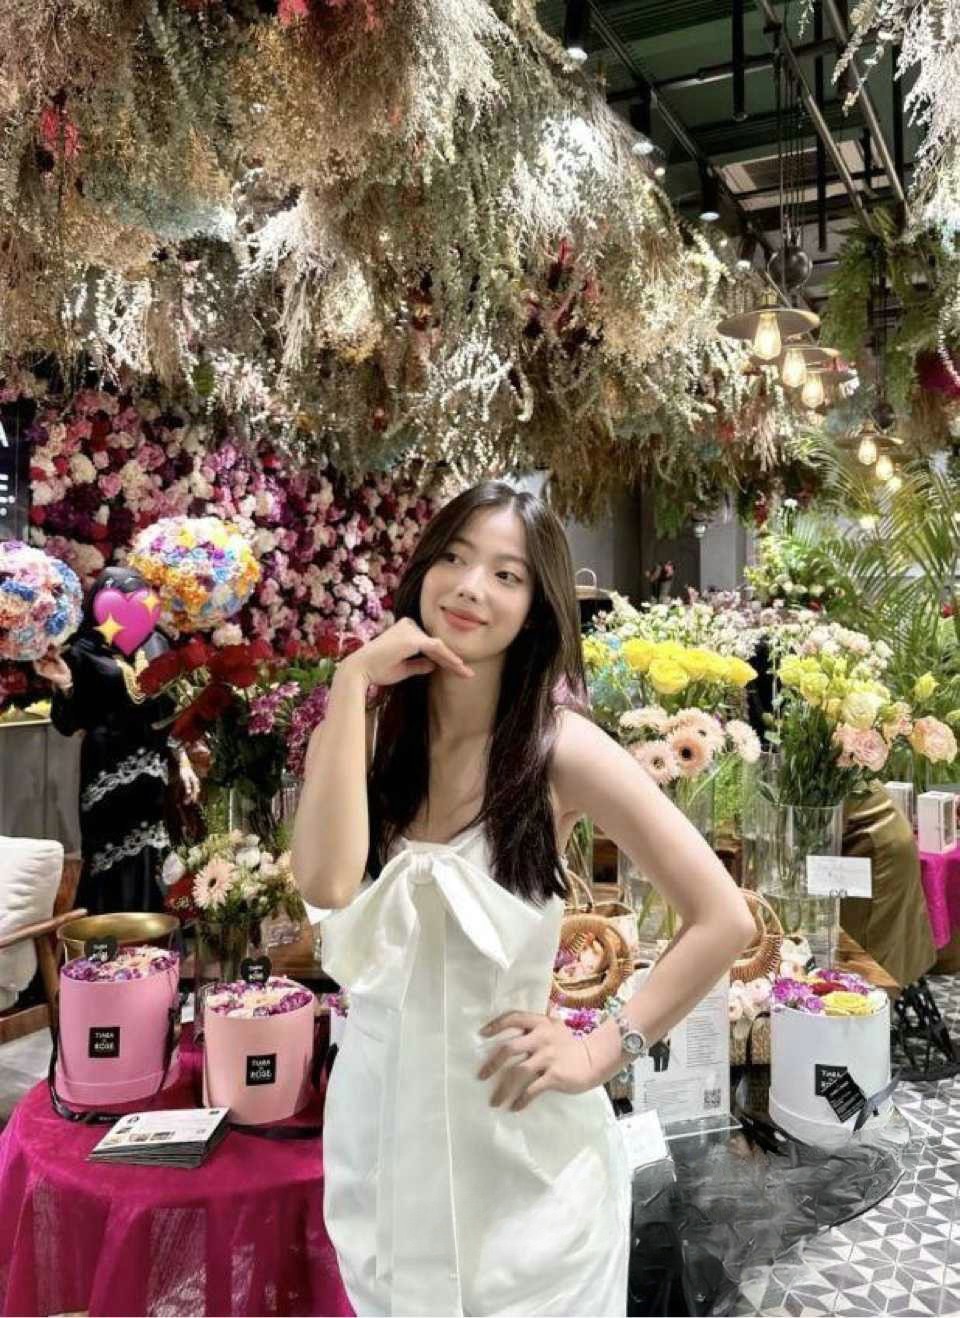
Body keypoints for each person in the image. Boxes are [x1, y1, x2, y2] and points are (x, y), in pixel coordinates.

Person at [293, 481, 753, 1318]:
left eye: (506, 575)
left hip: (521, 1164)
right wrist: (350, 681)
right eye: (455, 558)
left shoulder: (559, 749)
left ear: (536, 609)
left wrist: (602, 1050)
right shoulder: (369, 734)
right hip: (382, 1143)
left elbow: (723, 917)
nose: (472, 588)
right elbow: (324, 884)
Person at [33, 565, 199, 915]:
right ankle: (106, 937)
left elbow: (171, 709)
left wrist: (183, 759)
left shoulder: (157, 642)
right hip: (106, 771)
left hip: (152, 771)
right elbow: (68, 723)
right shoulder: (81, 650)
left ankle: (154, 936)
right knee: (107, 855)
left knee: (153, 853)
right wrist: (65, 686)